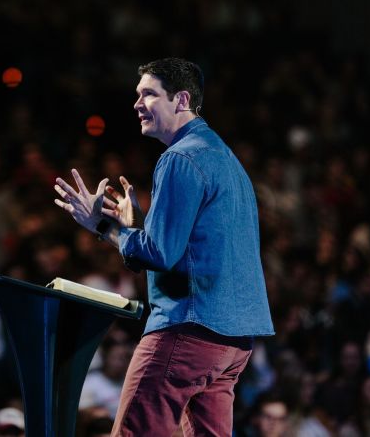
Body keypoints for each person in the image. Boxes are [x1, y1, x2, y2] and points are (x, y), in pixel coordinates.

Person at [54, 58, 274, 435]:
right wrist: (137, 227)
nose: (137, 104)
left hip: (188, 330)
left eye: (148, 94)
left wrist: (101, 225)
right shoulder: (224, 158)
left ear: (182, 99)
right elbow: (193, 245)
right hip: (233, 340)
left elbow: (160, 254)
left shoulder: (179, 158)